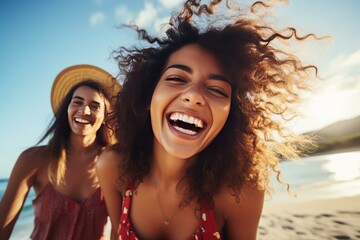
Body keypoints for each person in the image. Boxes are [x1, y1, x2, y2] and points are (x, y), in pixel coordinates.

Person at [97, 1, 321, 239]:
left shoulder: (240, 194)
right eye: (177, 78)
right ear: (148, 95)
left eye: (216, 90)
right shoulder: (112, 167)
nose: (194, 96)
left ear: (231, 116)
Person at [0, 64, 121, 240]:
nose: (84, 110)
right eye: (77, 102)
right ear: (67, 109)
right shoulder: (33, 160)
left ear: (105, 117)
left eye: (95, 106)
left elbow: (118, 230)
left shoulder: (113, 163)